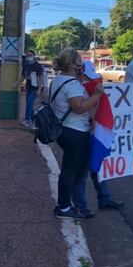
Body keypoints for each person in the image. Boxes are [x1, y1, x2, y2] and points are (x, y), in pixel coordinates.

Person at [50, 49, 104, 218]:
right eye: (80, 61)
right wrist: (96, 95)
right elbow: (79, 108)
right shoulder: (72, 84)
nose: (82, 65)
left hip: (65, 130)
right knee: (71, 170)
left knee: (75, 169)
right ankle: (64, 207)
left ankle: (66, 204)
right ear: (72, 64)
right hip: (75, 132)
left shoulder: (59, 79)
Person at [72, 61, 125, 217]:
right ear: (81, 73)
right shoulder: (80, 88)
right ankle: (81, 205)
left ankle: (104, 198)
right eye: (88, 76)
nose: (90, 79)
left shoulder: (89, 87)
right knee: (83, 170)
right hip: (83, 131)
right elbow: (88, 109)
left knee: (97, 166)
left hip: (91, 131)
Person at [20, 49, 44, 129]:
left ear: (34, 56)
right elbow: (23, 76)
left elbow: (41, 78)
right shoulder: (26, 66)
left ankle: (28, 120)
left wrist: (39, 89)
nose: (28, 57)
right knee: (29, 104)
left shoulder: (38, 66)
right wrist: (17, 83)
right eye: (27, 55)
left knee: (30, 103)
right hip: (29, 87)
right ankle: (32, 120)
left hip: (35, 88)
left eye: (30, 55)